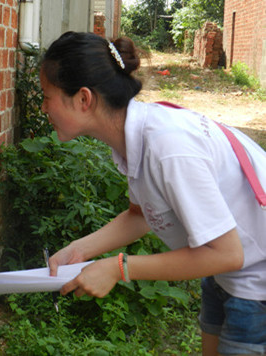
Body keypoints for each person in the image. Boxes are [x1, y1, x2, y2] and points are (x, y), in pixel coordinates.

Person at [42, 31, 266, 356]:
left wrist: (119, 268)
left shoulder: (167, 146)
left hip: (256, 283)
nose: (44, 107)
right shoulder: (137, 137)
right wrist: (77, 251)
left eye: (47, 96)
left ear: (83, 99)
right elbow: (141, 215)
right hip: (228, 276)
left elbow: (227, 253)